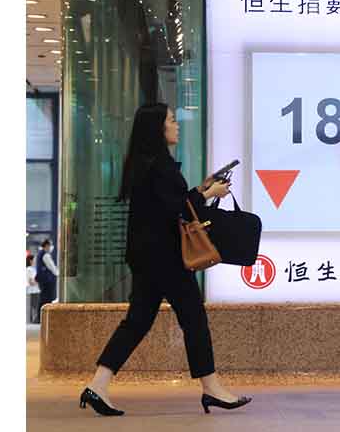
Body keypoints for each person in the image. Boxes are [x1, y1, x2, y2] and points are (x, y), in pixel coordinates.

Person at [79, 103, 251, 416]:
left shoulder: (147, 163)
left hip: (148, 257)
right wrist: (209, 194)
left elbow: (170, 203)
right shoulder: (159, 165)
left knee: (138, 322)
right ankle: (211, 388)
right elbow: (178, 210)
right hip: (165, 258)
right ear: (158, 127)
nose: (177, 124)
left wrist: (202, 187)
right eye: (172, 120)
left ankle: (98, 385)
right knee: (193, 319)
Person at [35, 240, 59, 321]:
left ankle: (40, 317)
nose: (50, 248)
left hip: (42, 280)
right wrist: (58, 274)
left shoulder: (39, 254)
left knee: (42, 299)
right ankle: (44, 317)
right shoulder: (45, 255)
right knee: (47, 299)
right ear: (46, 246)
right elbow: (52, 267)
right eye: (50, 246)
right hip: (47, 281)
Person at [26, 254, 40, 324]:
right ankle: (34, 321)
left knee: (34, 306)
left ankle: (33, 320)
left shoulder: (32, 269)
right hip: (33, 291)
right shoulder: (30, 269)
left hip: (34, 290)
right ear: (30, 261)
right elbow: (31, 281)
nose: (35, 261)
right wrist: (39, 282)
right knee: (34, 306)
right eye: (34, 260)